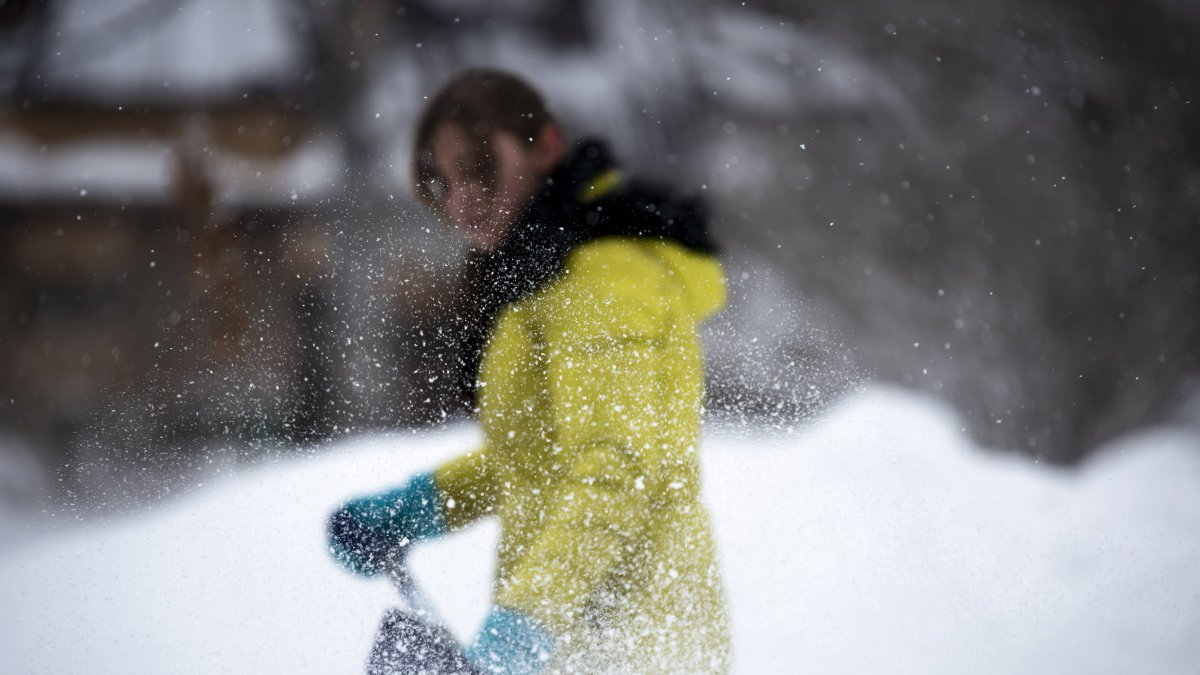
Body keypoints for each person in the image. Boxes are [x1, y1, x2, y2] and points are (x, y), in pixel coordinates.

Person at [328, 68, 732, 674]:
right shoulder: (540, 285)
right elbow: (541, 458)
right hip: (576, 644)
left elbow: (615, 470)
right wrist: (420, 507)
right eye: (443, 182)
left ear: (545, 147)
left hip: (635, 647)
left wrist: (525, 624)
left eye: (478, 170)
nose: (460, 201)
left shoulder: (606, 282)